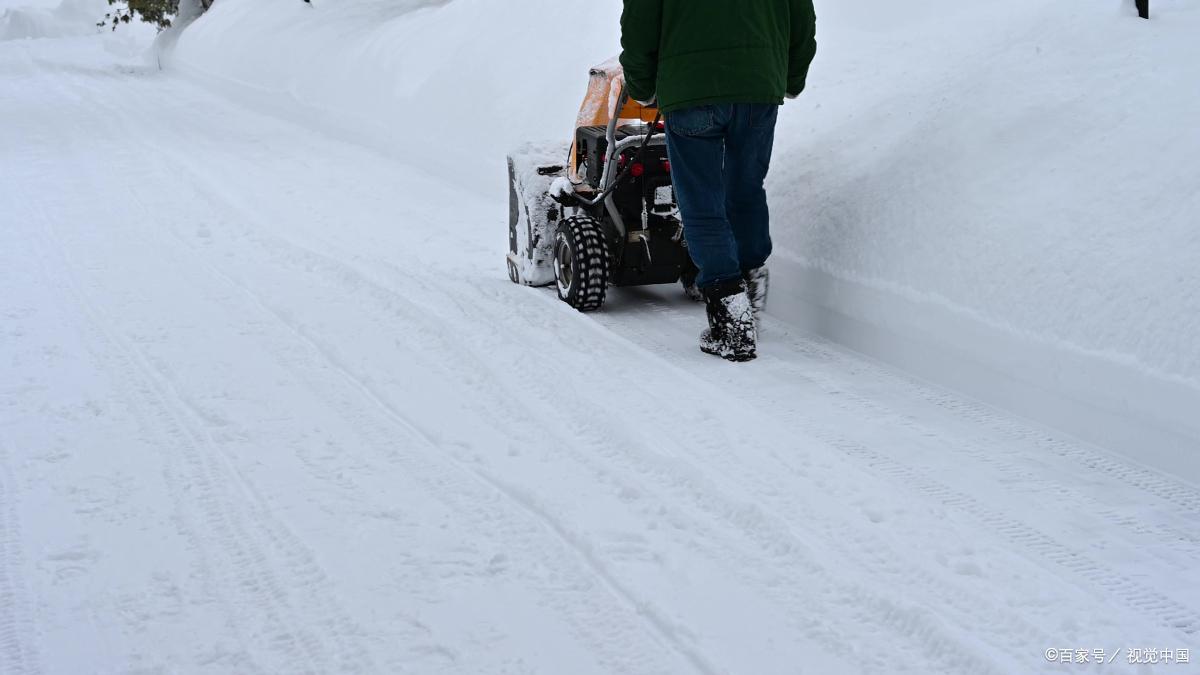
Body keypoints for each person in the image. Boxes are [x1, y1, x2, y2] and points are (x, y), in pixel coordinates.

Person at [620, 0, 817, 362]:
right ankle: (750, 281)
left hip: (691, 88)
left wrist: (643, 87)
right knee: (745, 190)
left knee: (702, 203)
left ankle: (731, 321)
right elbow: (802, 18)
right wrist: (789, 78)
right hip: (759, 86)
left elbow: (639, 23)